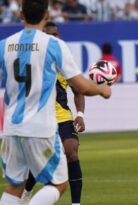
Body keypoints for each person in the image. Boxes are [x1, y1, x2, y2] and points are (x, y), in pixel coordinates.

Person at [0, 1, 111, 205]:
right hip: (40, 127)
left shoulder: (4, 45)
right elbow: (83, 87)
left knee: (15, 186)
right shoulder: (53, 45)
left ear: (21, 14)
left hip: (11, 127)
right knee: (58, 184)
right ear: (46, 14)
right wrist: (102, 90)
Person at [20, 21, 86, 205]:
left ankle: (76, 203)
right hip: (39, 119)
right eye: (50, 34)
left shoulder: (65, 61)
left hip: (63, 118)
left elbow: (79, 90)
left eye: (56, 34)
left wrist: (80, 114)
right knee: (38, 163)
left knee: (72, 151)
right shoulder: (32, 62)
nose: (55, 37)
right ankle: (27, 191)